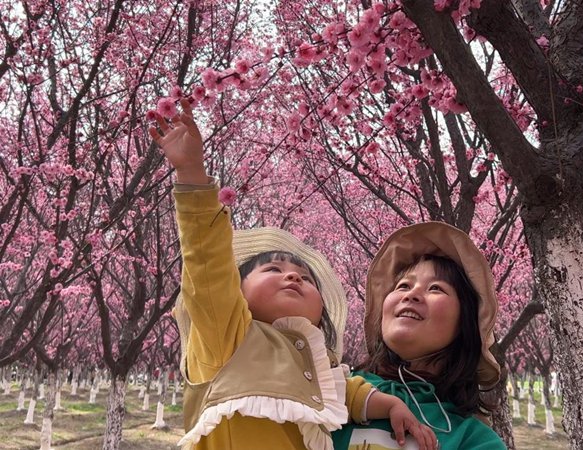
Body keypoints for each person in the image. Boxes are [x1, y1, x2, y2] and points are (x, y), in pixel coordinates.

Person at [150, 99, 437, 450]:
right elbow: (206, 264)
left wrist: (391, 404)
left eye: (305, 277)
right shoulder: (226, 338)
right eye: (273, 269)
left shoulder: (316, 361)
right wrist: (192, 174)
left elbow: (345, 391)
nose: (293, 277)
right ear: (236, 291)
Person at [332, 222, 507, 449]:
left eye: (436, 288)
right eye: (403, 286)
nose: (412, 294)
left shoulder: (474, 439)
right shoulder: (334, 389)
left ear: (466, 323)